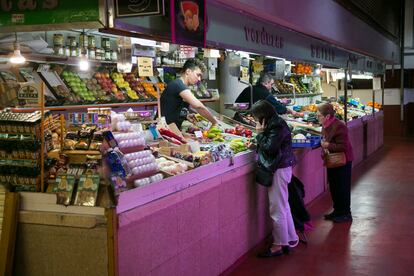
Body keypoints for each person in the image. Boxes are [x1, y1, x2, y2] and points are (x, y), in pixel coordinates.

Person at [251, 100, 298, 257]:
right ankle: (289, 238)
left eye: (256, 117)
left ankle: (278, 246)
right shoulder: (276, 122)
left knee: (277, 208)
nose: (255, 120)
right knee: (283, 206)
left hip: (279, 169)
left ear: (262, 116)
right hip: (283, 167)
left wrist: (259, 134)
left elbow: (270, 148)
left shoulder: (276, 125)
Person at [317, 103, 354, 223]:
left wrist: (327, 145)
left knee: (342, 187)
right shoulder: (326, 125)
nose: (317, 118)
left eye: (319, 116)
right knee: (334, 187)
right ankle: (337, 211)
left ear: (327, 116)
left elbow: (343, 146)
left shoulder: (339, 126)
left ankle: (346, 213)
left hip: (343, 160)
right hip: (332, 160)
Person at [160, 59, 218, 129]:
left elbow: (173, 107)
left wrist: (185, 116)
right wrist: (214, 122)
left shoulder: (181, 85)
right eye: (198, 75)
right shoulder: (178, 85)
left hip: (171, 129)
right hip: (163, 129)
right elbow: (199, 106)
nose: (199, 79)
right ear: (188, 71)